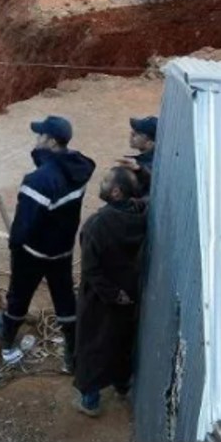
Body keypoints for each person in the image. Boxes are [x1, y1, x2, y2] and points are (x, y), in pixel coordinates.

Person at [0, 116, 95, 371]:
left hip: (34, 252)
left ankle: (7, 343)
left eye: (40, 136)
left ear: (50, 140)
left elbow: (24, 224)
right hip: (63, 249)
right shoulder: (79, 169)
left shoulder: (39, 180)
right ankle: (73, 355)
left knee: (19, 296)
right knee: (64, 297)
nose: (36, 139)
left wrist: (15, 245)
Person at [73, 167, 147, 418]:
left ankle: (90, 400)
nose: (101, 184)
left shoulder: (97, 225)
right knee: (122, 341)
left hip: (99, 299)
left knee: (92, 346)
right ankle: (122, 386)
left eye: (106, 181)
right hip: (130, 293)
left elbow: (91, 270)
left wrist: (113, 294)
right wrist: (123, 295)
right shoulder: (141, 218)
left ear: (116, 192)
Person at [117, 116, 156, 197]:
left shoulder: (148, 166)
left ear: (150, 143)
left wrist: (138, 169)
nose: (131, 134)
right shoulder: (146, 160)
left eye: (137, 133)